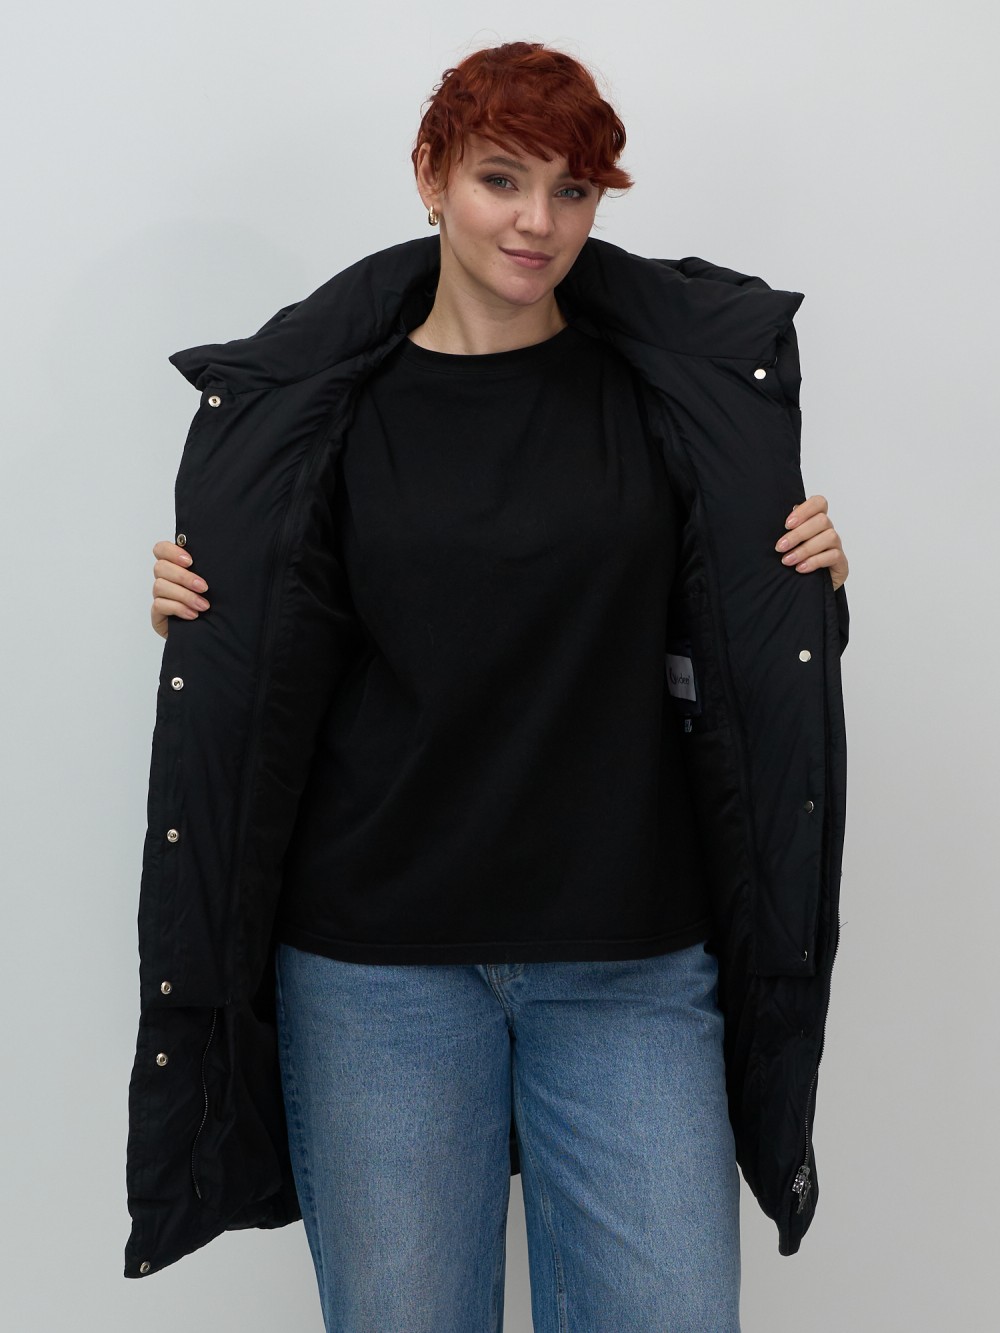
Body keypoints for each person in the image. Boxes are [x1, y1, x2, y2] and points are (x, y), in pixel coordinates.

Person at [135, 40, 849, 1333]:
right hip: (377, 970)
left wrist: (804, 595)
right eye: (501, 179)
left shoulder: (671, 399)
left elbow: (727, 649)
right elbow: (282, 661)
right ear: (431, 176)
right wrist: (206, 612)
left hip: (631, 958)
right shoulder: (327, 415)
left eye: (573, 191)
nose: (538, 222)